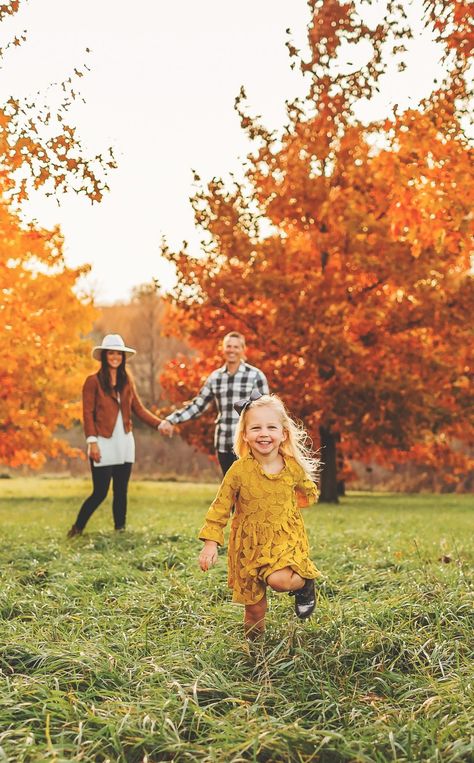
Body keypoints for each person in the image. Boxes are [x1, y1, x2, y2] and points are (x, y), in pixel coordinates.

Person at [197, 393, 320, 638]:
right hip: (248, 547)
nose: (263, 433)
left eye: (271, 427)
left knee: (279, 580)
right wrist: (211, 543)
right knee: (254, 612)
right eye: (255, 428)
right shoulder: (239, 471)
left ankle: (305, 584)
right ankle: (255, 653)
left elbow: (309, 493)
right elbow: (220, 506)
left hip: (282, 538)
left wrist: (290, 504)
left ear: (283, 434)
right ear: (245, 435)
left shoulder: (292, 468)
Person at [67, 334, 163, 537]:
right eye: (111, 353)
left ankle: (120, 531)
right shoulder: (92, 381)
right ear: (104, 356)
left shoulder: (126, 380)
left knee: (121, 491)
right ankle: (76, 529)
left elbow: (138, 408)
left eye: (118, 353)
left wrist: (160, 423)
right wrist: (92, 442)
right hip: (102, 441)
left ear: (122, 356)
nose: (115, 357)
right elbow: (87, 413)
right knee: (100, 492)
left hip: (125, 442)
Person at [159, 331, 269, 475]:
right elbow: (198, 405)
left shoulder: (255, 376)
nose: (232, 350)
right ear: (223, 349)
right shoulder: (215, 377)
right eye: (228, 346)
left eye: (236, 347)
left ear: (243, 350)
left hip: (248, 444)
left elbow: (267, 411)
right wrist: (171, 420)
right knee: (228, 492)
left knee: (250, 491)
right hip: (224, 443)